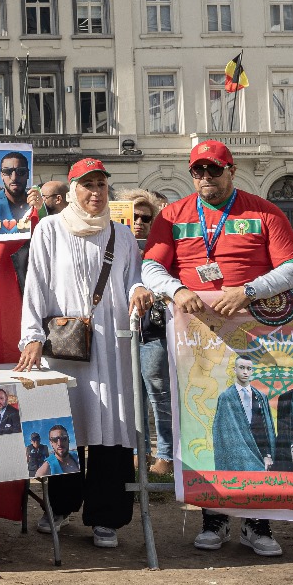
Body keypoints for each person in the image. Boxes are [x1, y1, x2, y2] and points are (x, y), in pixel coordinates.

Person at [140, 139, 293, 557]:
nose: (205, 178)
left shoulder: (264, 211)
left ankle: (257, 522)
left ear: (231, 170)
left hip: (254, 334)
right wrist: (176, 289)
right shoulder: (174, 215)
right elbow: (150, 267)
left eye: (213, 170)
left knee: (257, 424)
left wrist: (249, 290)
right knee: (205, 425)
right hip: (195, 338)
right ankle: (212, 516)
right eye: (198, 171)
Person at [19, 159, 150, 549]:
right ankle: (59, 506)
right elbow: (36, 283)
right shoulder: (50, 229)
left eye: (101, 185)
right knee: (64, 424)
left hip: (111, 344)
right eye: (87, 185)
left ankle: (105, 516)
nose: (96, 193)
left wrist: (140, 289)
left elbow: (133, 278)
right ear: (73, 190)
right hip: (64, 344)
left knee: (111, 427)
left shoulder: (122, 236)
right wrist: (31, 336)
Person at [116, 187, 172, 477]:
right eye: (133, 216)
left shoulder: (159, 247)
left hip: (153, 329)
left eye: (145, 218)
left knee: (158, 393)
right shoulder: (114, 244)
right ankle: (140, 451)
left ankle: (166, 455)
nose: (139, 222)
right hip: (121, 330)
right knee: (131, 395)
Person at [211, 353, 274, 472]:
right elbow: (220, 432)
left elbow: (266, 429)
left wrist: (268, 455)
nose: (245, 372)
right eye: (242, 368)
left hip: (259, 454)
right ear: (235, 370)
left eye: (249, 369)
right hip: (236, 457)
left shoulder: (261, 397)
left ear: (252, 371)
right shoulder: (226, 397)